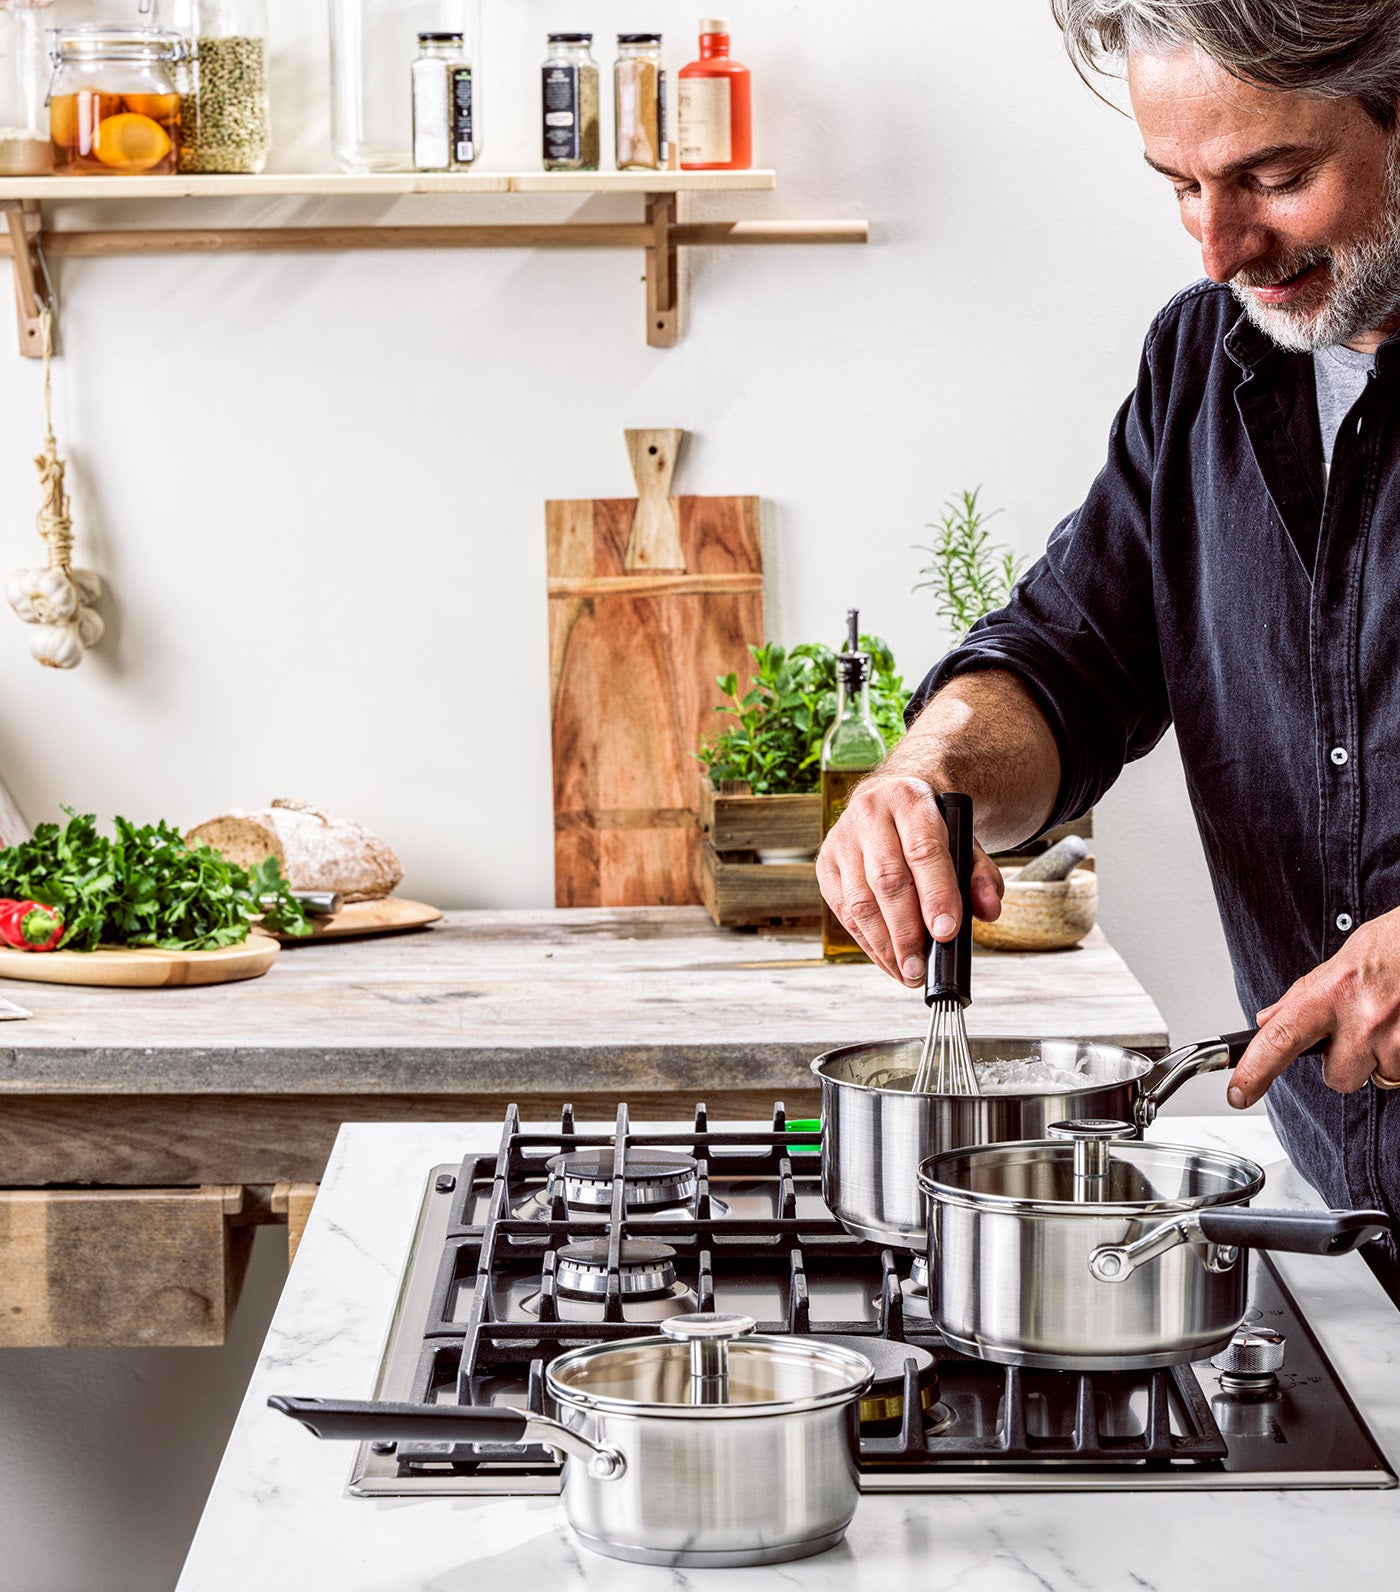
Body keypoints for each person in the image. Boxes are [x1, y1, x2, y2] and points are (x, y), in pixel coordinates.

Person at [817, 0, 1400, 1294]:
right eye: (1182, 186)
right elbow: (1064, 661)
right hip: (1354, 1228)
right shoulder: (1204, 363)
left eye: (1274, 177)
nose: (1220, 247)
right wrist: (931, 774)